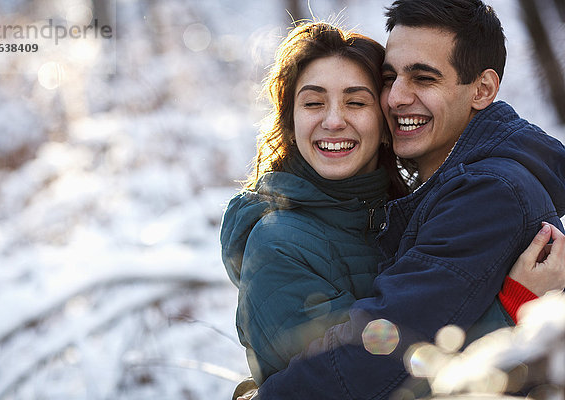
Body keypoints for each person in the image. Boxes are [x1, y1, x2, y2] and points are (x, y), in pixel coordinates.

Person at [222, 0, 565, 398]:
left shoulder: (486, 194)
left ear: (482, 89)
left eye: (423, 78)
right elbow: (376, 366)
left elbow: (369, 367)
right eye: (390, 78)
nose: (397, 98)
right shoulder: (295, 236)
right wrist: (508, 310)